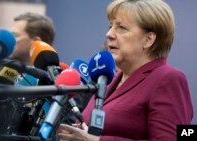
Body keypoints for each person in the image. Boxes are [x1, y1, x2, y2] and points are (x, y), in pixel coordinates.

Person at [58, 0, 193, 141]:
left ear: (148, 39)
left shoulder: (169, 79)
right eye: (111, 26)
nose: (109, 34)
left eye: (121, 28)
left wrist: (95, 140)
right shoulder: (108, 82)